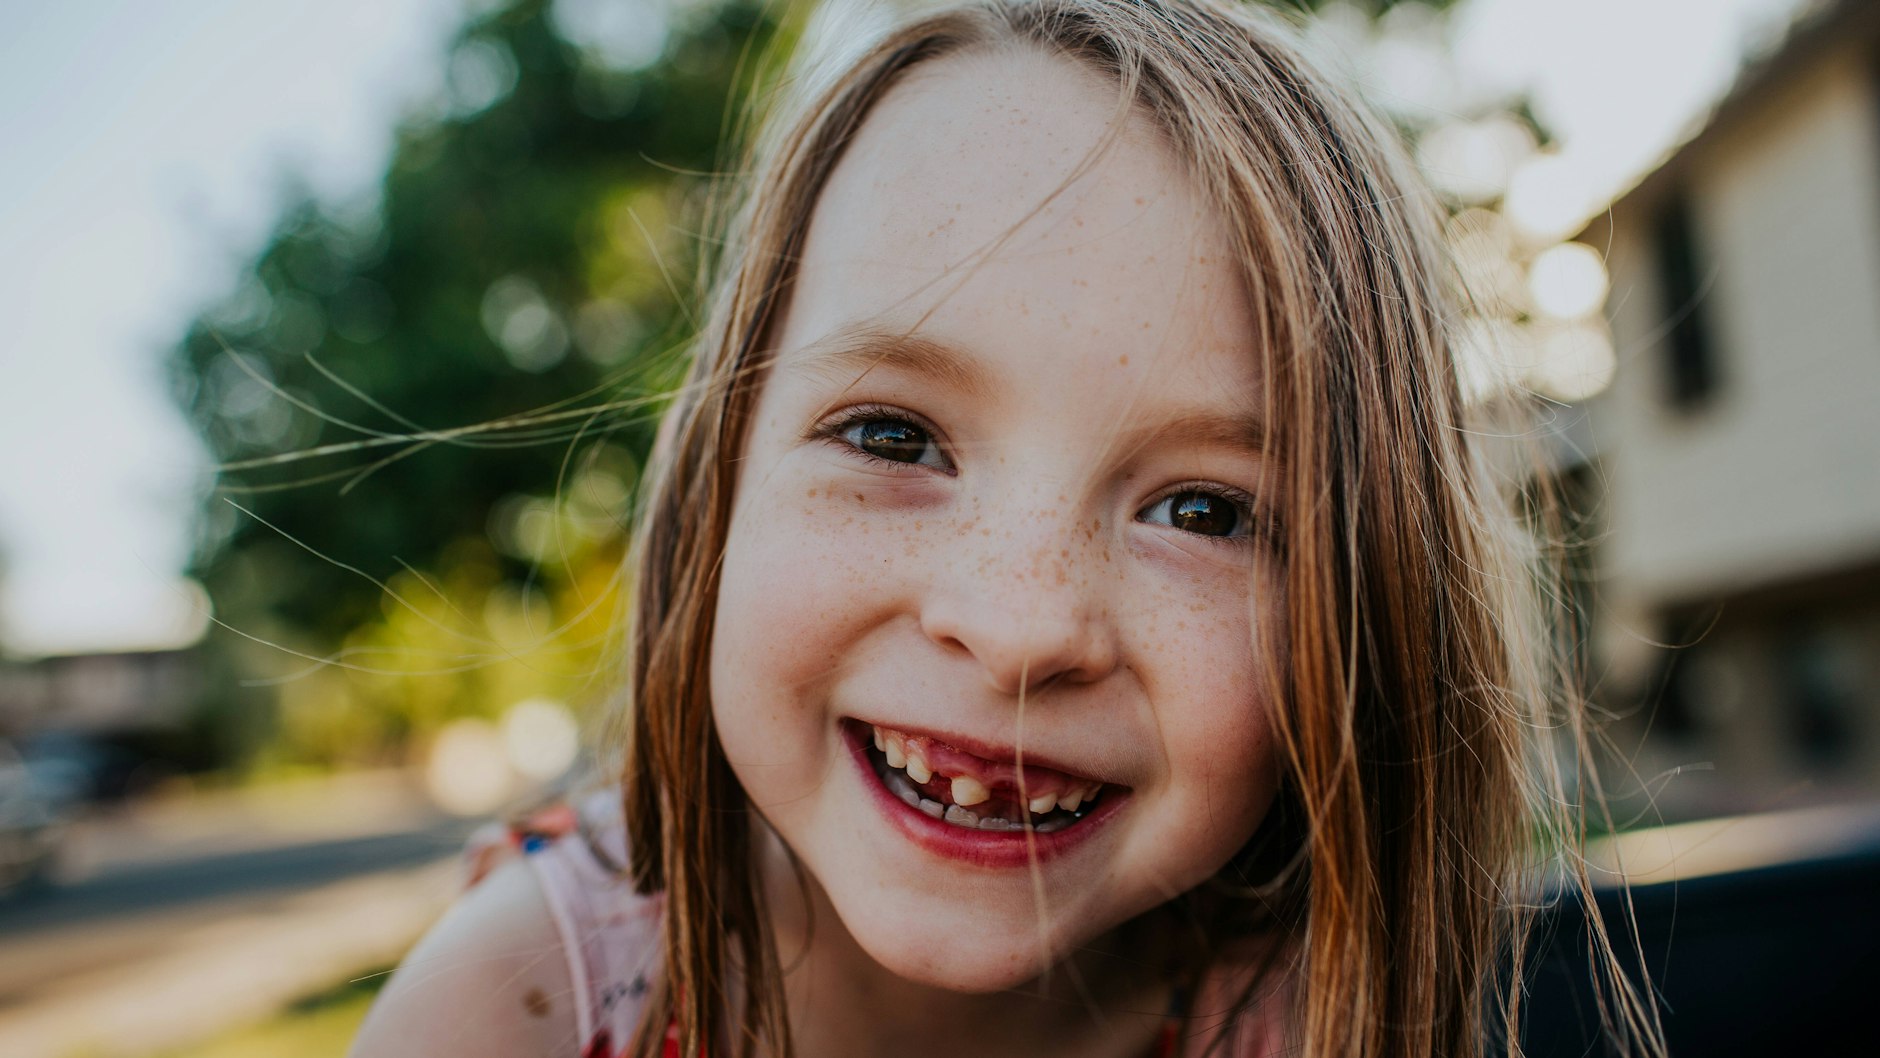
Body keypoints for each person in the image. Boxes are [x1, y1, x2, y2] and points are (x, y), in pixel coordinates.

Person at [351, 2, 1657, 1056]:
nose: (1020, 625)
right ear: (717, 481)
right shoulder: (520, 1008)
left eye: (1204, 510)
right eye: (891, 437)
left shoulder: (1303, 1016)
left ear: (1369, 608)